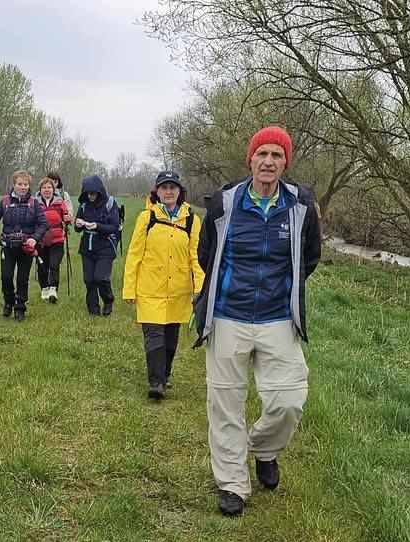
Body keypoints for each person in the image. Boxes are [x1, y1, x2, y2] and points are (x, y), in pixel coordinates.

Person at [192, 126, 321, 517]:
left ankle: (264, 449)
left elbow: (309, 259)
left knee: (289, 400)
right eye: (262, 154)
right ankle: (232, 483)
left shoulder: (300, 206)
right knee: (225, 402)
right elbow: (206, 255)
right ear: (250, 159)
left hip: (278, 318)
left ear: (286, 163)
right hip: (228, 315)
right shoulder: (224, 203)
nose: (268, 162)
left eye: (276, 156)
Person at [123, 171, 205, 400]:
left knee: (170, 337)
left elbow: (196, 257)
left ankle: (165, 373)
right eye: (164, 187)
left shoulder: (191, 220)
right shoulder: (146, 217)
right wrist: (129, 288)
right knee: (154, 335)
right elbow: (134, 254)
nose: (168, 191)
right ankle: (156, 382)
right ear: (157, 191)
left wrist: (199, 287)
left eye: (173, 187)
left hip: (179, 290)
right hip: (150, 289)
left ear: (180, 191)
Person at [0, 170, 47, 321]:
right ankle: (8, 302)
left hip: (26, 248)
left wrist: (34, 239)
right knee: (6, 277)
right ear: (14, 185)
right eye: (20, 184)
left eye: (26, 184)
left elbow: (43, 224)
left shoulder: (34, 203)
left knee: (23, 279)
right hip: (8, 247)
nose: (23, 187)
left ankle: (20, 307)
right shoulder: (5, 202)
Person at [74, 175, 122, 316]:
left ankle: (108, 301)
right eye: (88, 193)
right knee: (88, 279)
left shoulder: (110, 203)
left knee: (100, 278)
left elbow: (114, 227)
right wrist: (78, 224)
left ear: (100, 192)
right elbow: (78, 227)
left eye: (93, 193)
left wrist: (97, 226)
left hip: (105, 246)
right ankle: (92, 308)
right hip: (87, 246)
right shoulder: (83, 204)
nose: (90, 196)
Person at [35, 176, 73, 303]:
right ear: (40, 190)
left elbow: (67, 216)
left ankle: (53, 289)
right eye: (44, 187)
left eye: (49, 187)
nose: (47, 190)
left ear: (53, 189)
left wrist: (68, 219)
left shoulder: (59, 201)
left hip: (57, 239)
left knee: (54, 264)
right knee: (42, 266)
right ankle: (44, 288)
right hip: (40, 240)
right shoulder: (35, 203)